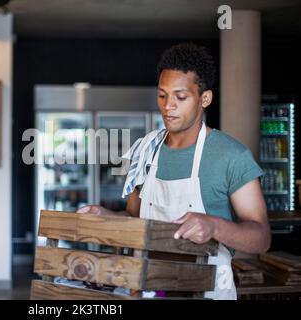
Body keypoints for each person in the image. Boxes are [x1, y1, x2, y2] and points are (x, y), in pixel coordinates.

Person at [77, 43, 271, 300]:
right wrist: (105, 216)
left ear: (205, 98)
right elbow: (135, 218)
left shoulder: (231, 156)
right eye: (162, 95)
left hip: (208, 292)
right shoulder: (144, 151)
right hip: (148, 289)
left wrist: (214, 226)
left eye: (180, 97)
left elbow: (261, 238)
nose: (168, 106)